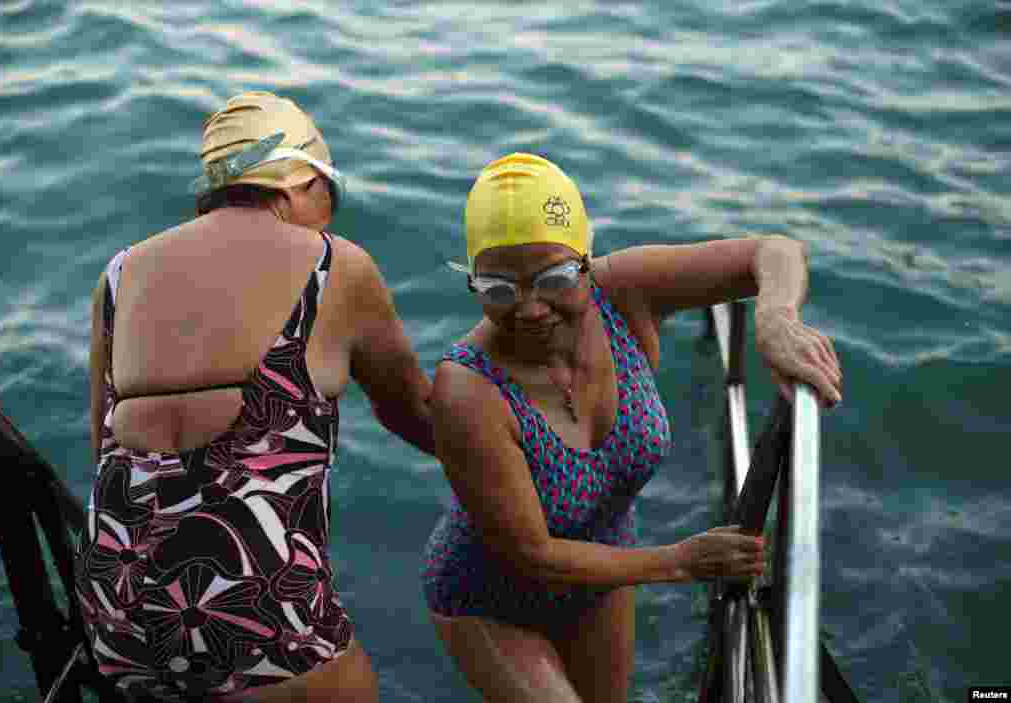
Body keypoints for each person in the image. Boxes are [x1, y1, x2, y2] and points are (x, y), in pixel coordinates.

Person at [421, 153, 843, 702]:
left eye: (552, 278)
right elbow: (532, 553)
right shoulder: (467, 389)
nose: (529, 309)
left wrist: (775, 318)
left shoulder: (625, 292)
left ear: (586, 261)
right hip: (491, 597)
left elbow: (776, 251)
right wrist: (677, 562)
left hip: (609, 566)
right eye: (499, 289)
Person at [73, 91, 434, 702]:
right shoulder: (335, 265)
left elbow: (102, 446)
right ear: (297, 181)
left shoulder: (118, 274)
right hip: (249, 604)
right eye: (330, 193)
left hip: (112, 599)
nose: (330, 217)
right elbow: (417, 416)